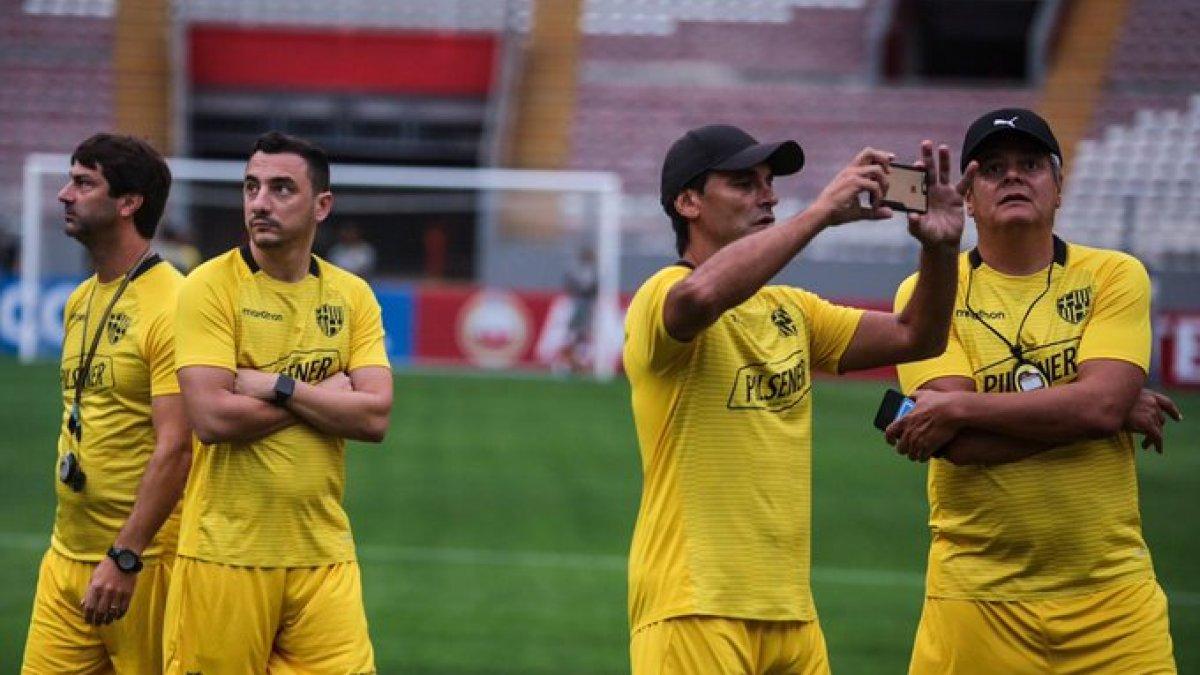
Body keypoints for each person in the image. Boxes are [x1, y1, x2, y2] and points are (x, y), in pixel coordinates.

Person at [623, 123, 972, 674]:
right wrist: (821, 213)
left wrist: (941, 248)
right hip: (694, 606)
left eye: (769, 181)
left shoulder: (794, 310)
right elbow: (702, 295)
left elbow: (917, 336)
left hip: (791, 613)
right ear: (687, 202)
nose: (770, 194)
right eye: (744, 182)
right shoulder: (659, 295)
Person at [888, 108, 1179, 674]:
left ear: (1059, 186)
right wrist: (1103, 410)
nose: (1013, 177)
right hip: (976, 603)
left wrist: (964, 405)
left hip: (1114, 604)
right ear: (968, 199)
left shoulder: (1114, 275)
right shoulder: (925, 292)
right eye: (992, 169)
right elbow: (962, 446)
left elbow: (1096, 406)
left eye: (1030, 164)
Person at [166, 131, 393, 673]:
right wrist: (324, 397)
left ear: (322, 205)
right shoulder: (208, 286)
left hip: (324, 554)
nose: (260, 202)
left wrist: (278, 386)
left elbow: (376, 415)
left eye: (280, 188)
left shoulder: (351, 294)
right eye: (251, 187)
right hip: (226, 554)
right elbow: (212, 417)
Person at [22, 134, 191, 673]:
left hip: (143, 566)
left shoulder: (175, 304)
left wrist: (126, 556)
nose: (64, 195)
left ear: (128, 202)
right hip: (66, 557)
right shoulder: (80, 300)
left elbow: (177, 446)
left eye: (83, 182)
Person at [562, 246, 598, 373]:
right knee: (575, 333)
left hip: (585, 305)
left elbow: (590, 287)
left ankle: (579, 363)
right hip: (580, 305)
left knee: (580, 334)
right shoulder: (581, 270)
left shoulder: (591, 271)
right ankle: (573, 363)